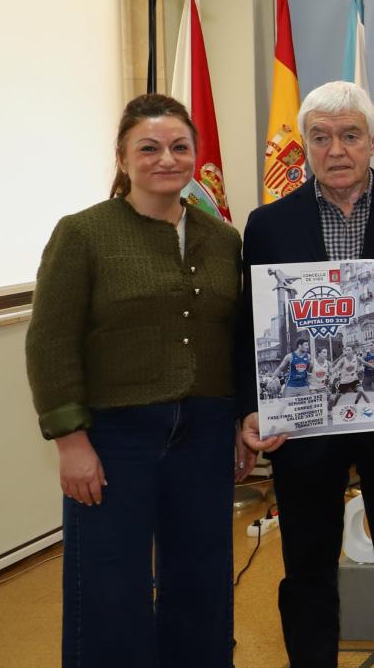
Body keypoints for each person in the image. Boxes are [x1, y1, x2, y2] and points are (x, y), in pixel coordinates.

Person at [236, 81, 374, 668]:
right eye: (322, 137)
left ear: (372, 142)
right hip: (303, 422)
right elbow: (247, 326)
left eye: (350, 136)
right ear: (304, 145)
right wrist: (249, 408)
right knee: (306, 567)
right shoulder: (267, 225)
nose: (337, 150)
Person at [25, 93, 244, 668]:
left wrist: (240, 422)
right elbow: (50, 342)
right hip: (114, 434)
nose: (166, 158)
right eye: (148, 147)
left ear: (195, 155)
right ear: (123, 158)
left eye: (179, 147)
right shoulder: (84, 233)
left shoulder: (223, 238)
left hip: (204, 430)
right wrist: (71, 441)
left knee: (202, 576)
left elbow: (236, 336)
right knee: (110, 581)